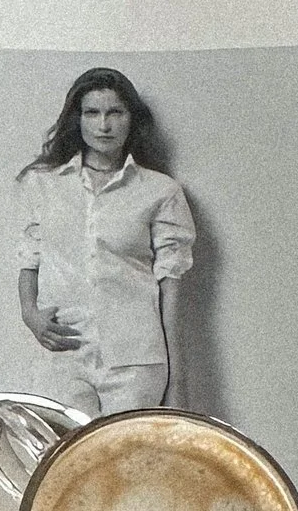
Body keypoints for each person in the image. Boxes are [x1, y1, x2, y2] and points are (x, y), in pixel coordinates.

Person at [14, 67, 195, 411]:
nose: (104, 125)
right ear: (77, 120)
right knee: (66, 459)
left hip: (136, 360)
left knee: (127, 462)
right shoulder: (44, 184)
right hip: (63, 353)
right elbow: (29, 258)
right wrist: (30, 315)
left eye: (115, 112)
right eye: (92, 113)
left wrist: (177, 380)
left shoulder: (160, 191)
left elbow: (171, 294)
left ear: (132, 120)